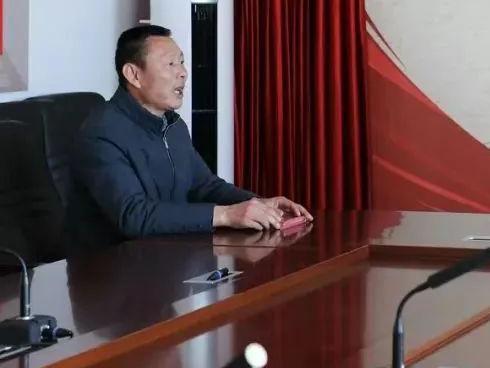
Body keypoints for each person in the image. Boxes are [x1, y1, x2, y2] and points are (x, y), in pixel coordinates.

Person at [66, 24, 312, 256]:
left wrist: (257, 204)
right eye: (170, 64)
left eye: (182, 62)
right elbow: (134, 216)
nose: (183, 73)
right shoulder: (101, 133)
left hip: (164, 258)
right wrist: (226, 215)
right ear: (134, 74)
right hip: (110, 271)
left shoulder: (173, 125)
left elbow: (205, 186)